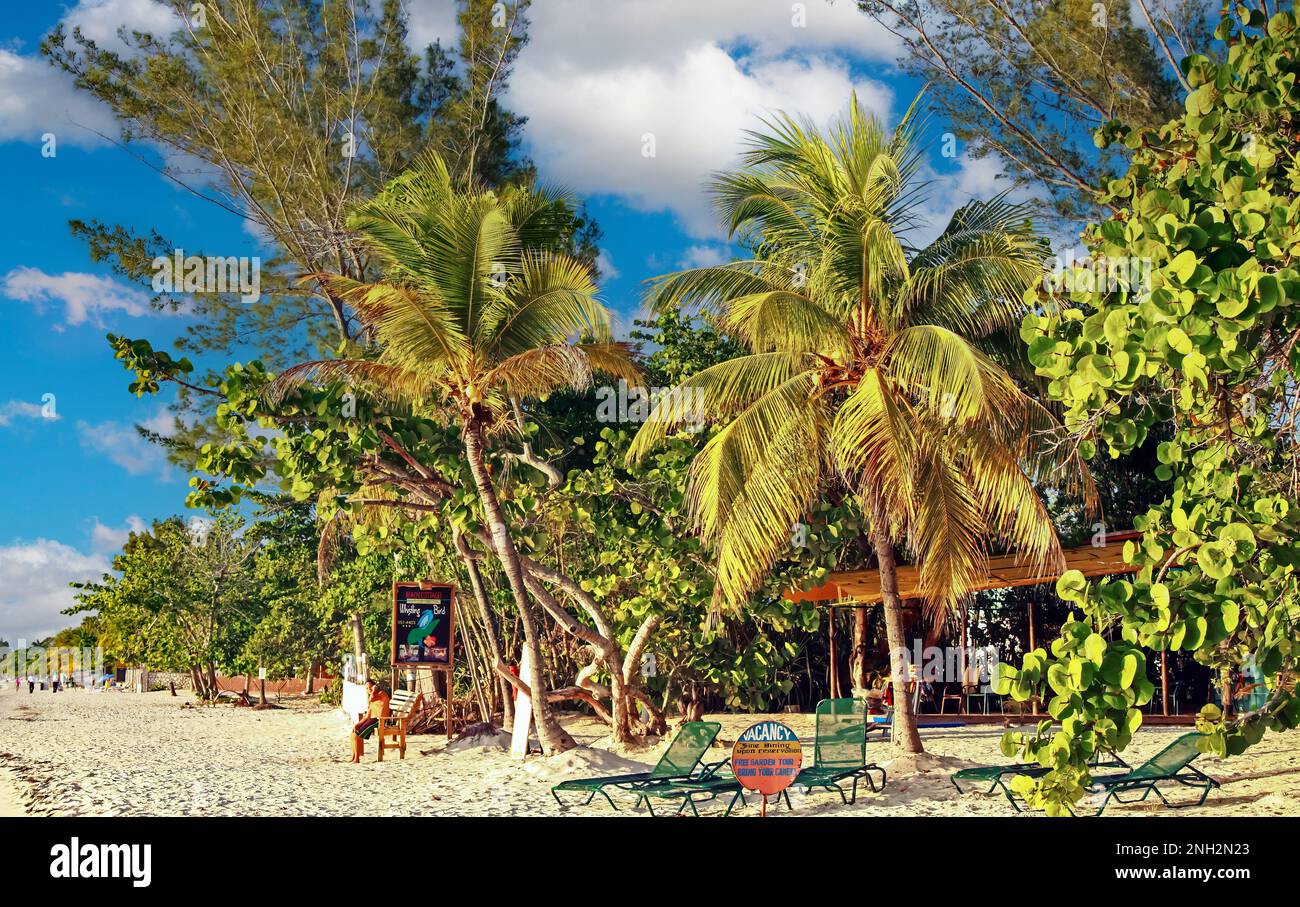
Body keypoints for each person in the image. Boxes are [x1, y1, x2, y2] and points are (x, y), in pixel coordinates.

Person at [349, 678, 391, 763]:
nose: (369, 690)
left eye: (370, 687)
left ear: (375, 687)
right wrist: (357, 724)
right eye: (367, 689)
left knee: (357, 734)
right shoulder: (373, 697)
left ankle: (357, 759)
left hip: (379, 721)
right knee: (353, 734)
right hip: (372, 719)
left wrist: (373, 691)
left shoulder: (381, 694)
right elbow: (367, 716)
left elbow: (371, 699)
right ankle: (354, 756)